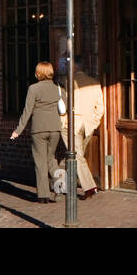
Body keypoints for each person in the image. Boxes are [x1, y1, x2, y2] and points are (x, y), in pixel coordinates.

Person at [11, 61, 64, 203]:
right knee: (51, 158)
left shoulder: (33, 89)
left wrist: (18, 130)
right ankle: (61, 185)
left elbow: (27, 111)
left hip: (39, 129)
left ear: (39, 73)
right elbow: (64, 107)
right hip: (55, 128)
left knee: (40, 162)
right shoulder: (58, 88)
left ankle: (43, 195)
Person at [60, 55, 105, 199]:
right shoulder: (94, 83)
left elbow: (63, 106)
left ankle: (90, 187)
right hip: (88, 126)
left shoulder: (69, 82)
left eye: (70, 65)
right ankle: (61, 184)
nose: (68, 68)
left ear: (75, 67)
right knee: (73, 157)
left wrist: (62, 122)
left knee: (76, 157)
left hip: (72, 125)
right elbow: (100, 108)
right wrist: (94, 122)